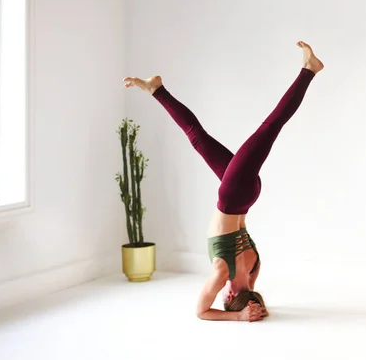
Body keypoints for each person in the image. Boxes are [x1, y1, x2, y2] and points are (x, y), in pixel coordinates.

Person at [123, 41, 324, 322]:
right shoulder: (222, 272)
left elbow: (249, 290)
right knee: (269, 127)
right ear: (229, 296)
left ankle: (156, 88)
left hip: (248, 196)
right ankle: (309, 71)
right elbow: (201, 312)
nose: (221, 292)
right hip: (232, 196)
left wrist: (251, 302)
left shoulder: (254, 269)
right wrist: (239, 316)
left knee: (198, 138)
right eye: (225, 296)